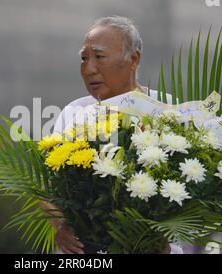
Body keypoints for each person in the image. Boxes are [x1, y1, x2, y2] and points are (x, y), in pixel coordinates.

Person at [40, 15, 182, 254]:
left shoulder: (168, 111)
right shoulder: (74, 112)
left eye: (99, 56)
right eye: (84, 58)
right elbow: (47, 185)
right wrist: (61, 227)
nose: (89, 69)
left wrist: (160, 240)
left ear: (133, 58)